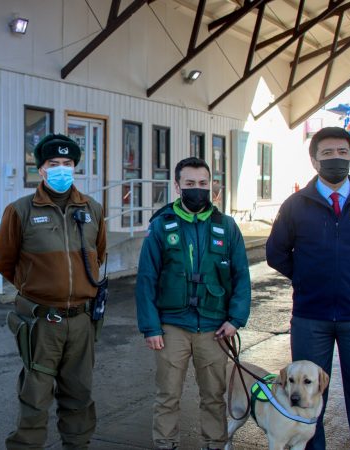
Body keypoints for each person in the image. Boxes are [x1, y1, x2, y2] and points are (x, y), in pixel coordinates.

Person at [266, 126, 350, 450]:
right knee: (306, 394)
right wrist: (305, 277)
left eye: (342, 153)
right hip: (311, 317)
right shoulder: (296, 205)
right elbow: (275, 252)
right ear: (314, 160)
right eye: (327, 154)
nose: (335, 159)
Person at [0, 134, 107, 449]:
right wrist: (39, 288)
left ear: (75, 167)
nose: (61, 169)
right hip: (42, 323)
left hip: (82, 322)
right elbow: (3, 260)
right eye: (53, 164)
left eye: (67, 164)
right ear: (41, 169)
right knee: (34, 398)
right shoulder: (20, 211)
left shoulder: (93, 209)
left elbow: (99, 254)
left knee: (80, 396)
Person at [135, 157, 251, 450]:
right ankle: (165, 443)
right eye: (190, 184)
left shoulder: (226, 226)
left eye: (203, 184)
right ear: (177, 186)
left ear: (211, 185)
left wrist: (235, 319)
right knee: (168, 394)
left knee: (214, 394)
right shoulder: (162, 226)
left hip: (214, 327)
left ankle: (214, 443)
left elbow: (241, 278)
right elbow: (146, 279)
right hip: (172, 326)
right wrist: (151, 327)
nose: (197, 189)